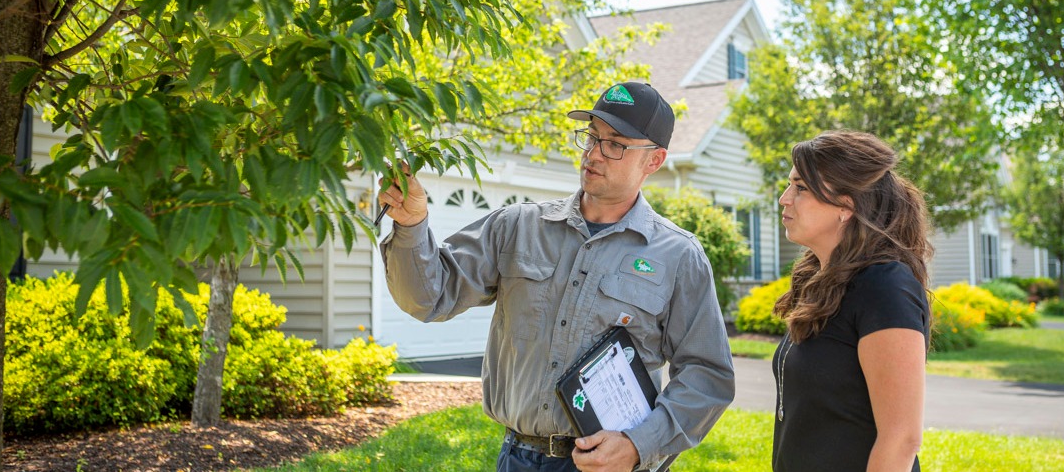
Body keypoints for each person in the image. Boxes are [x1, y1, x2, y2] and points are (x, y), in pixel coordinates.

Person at [377, 81, 735, 472]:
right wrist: (412, 225)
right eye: (592, 137)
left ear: (655, 160)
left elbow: (707, 374)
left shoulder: (679, 255)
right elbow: (429, 297)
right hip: (516, 458)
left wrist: (639, 445)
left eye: (615, 144)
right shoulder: (517, 227)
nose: (593, 154)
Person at [771, 130, 932, 472]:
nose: (785, 198)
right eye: (789, 185)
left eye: (801, 188)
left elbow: (901, 438)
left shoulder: (885, 286)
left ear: (845, 207)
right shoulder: (820, 280)